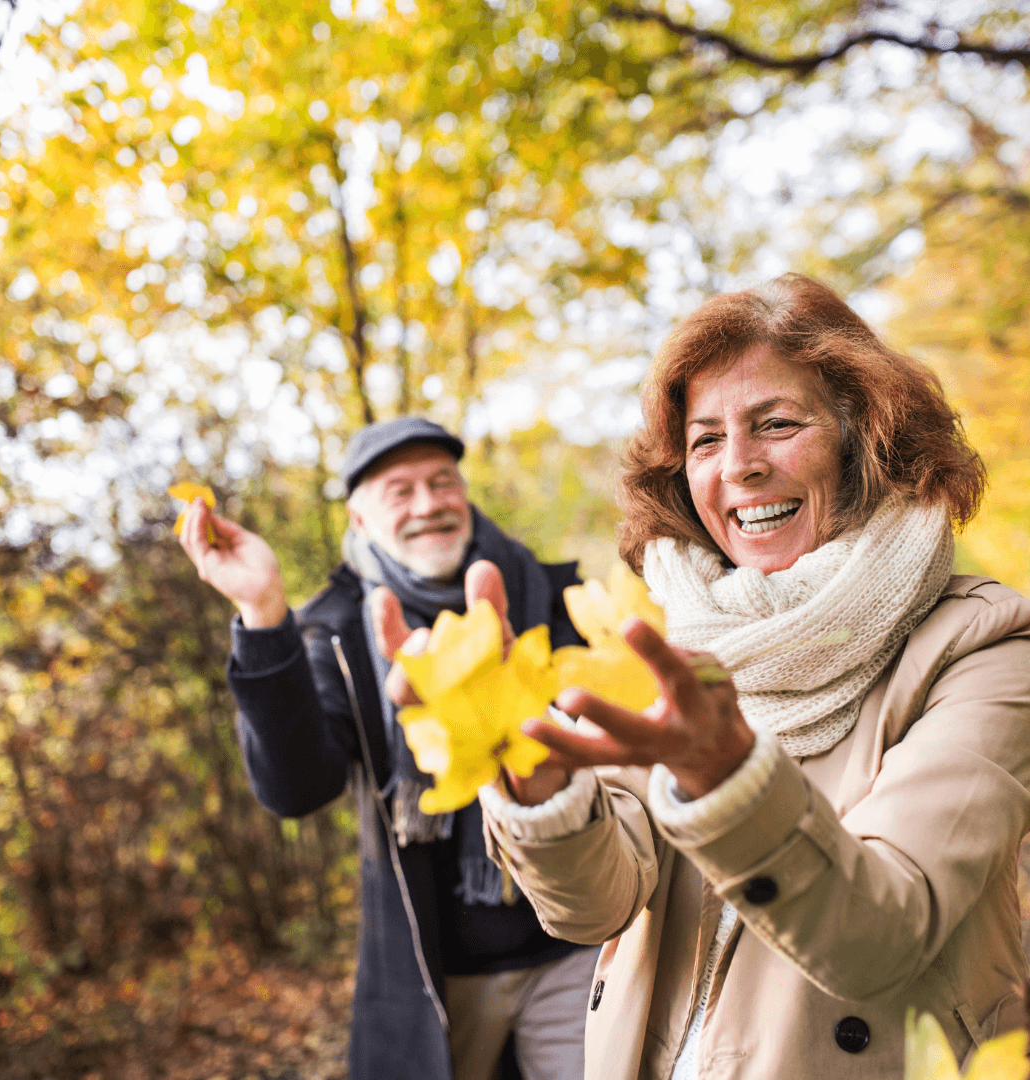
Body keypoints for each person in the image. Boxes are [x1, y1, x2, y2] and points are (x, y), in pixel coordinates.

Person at [378, 275, 1030, 1079]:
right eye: (705, 440)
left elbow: (883, 937)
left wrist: (724, 776)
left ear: (868, 441)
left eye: (778, 424)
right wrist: (539, 785)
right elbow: (593, 908)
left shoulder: (987, 644)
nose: (740, 467)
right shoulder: (662, 633)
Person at [177, 416, 599, 1080]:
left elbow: (605, 748)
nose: (428, 504)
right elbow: (295, 789)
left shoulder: (548, 591)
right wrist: (263, 610)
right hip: (436, 972)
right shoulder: (336, 632)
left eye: (441, 482)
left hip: (577, 947)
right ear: (360, 518)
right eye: (399, 491)